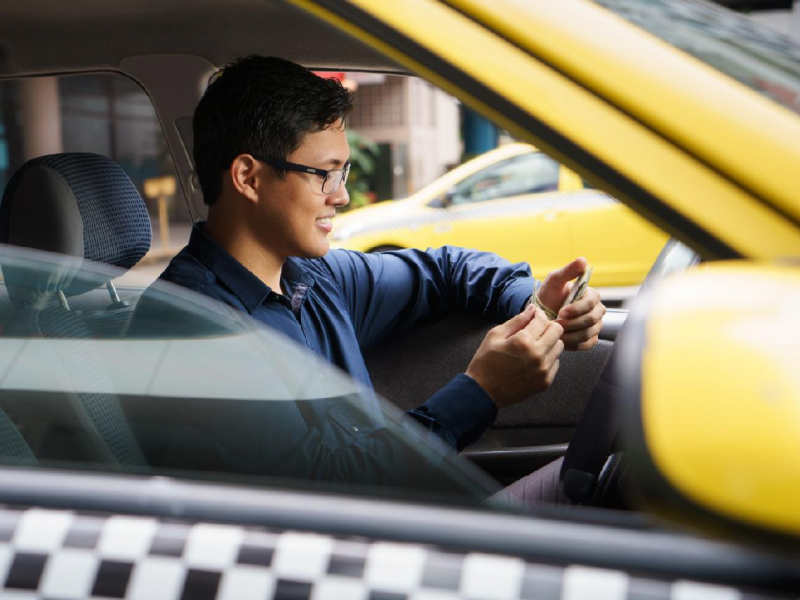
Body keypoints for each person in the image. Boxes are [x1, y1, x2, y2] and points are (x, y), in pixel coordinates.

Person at [131, 55, 605, 506]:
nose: (341, 196)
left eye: (344, 171)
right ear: (248, 178)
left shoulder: (314, 277)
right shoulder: (188, 327)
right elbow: (333, 493)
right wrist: (481, 391)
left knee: (615, 473)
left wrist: (539, 303)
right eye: (324, 174)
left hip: (408, 522)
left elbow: (445, 270)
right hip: (357, 548)